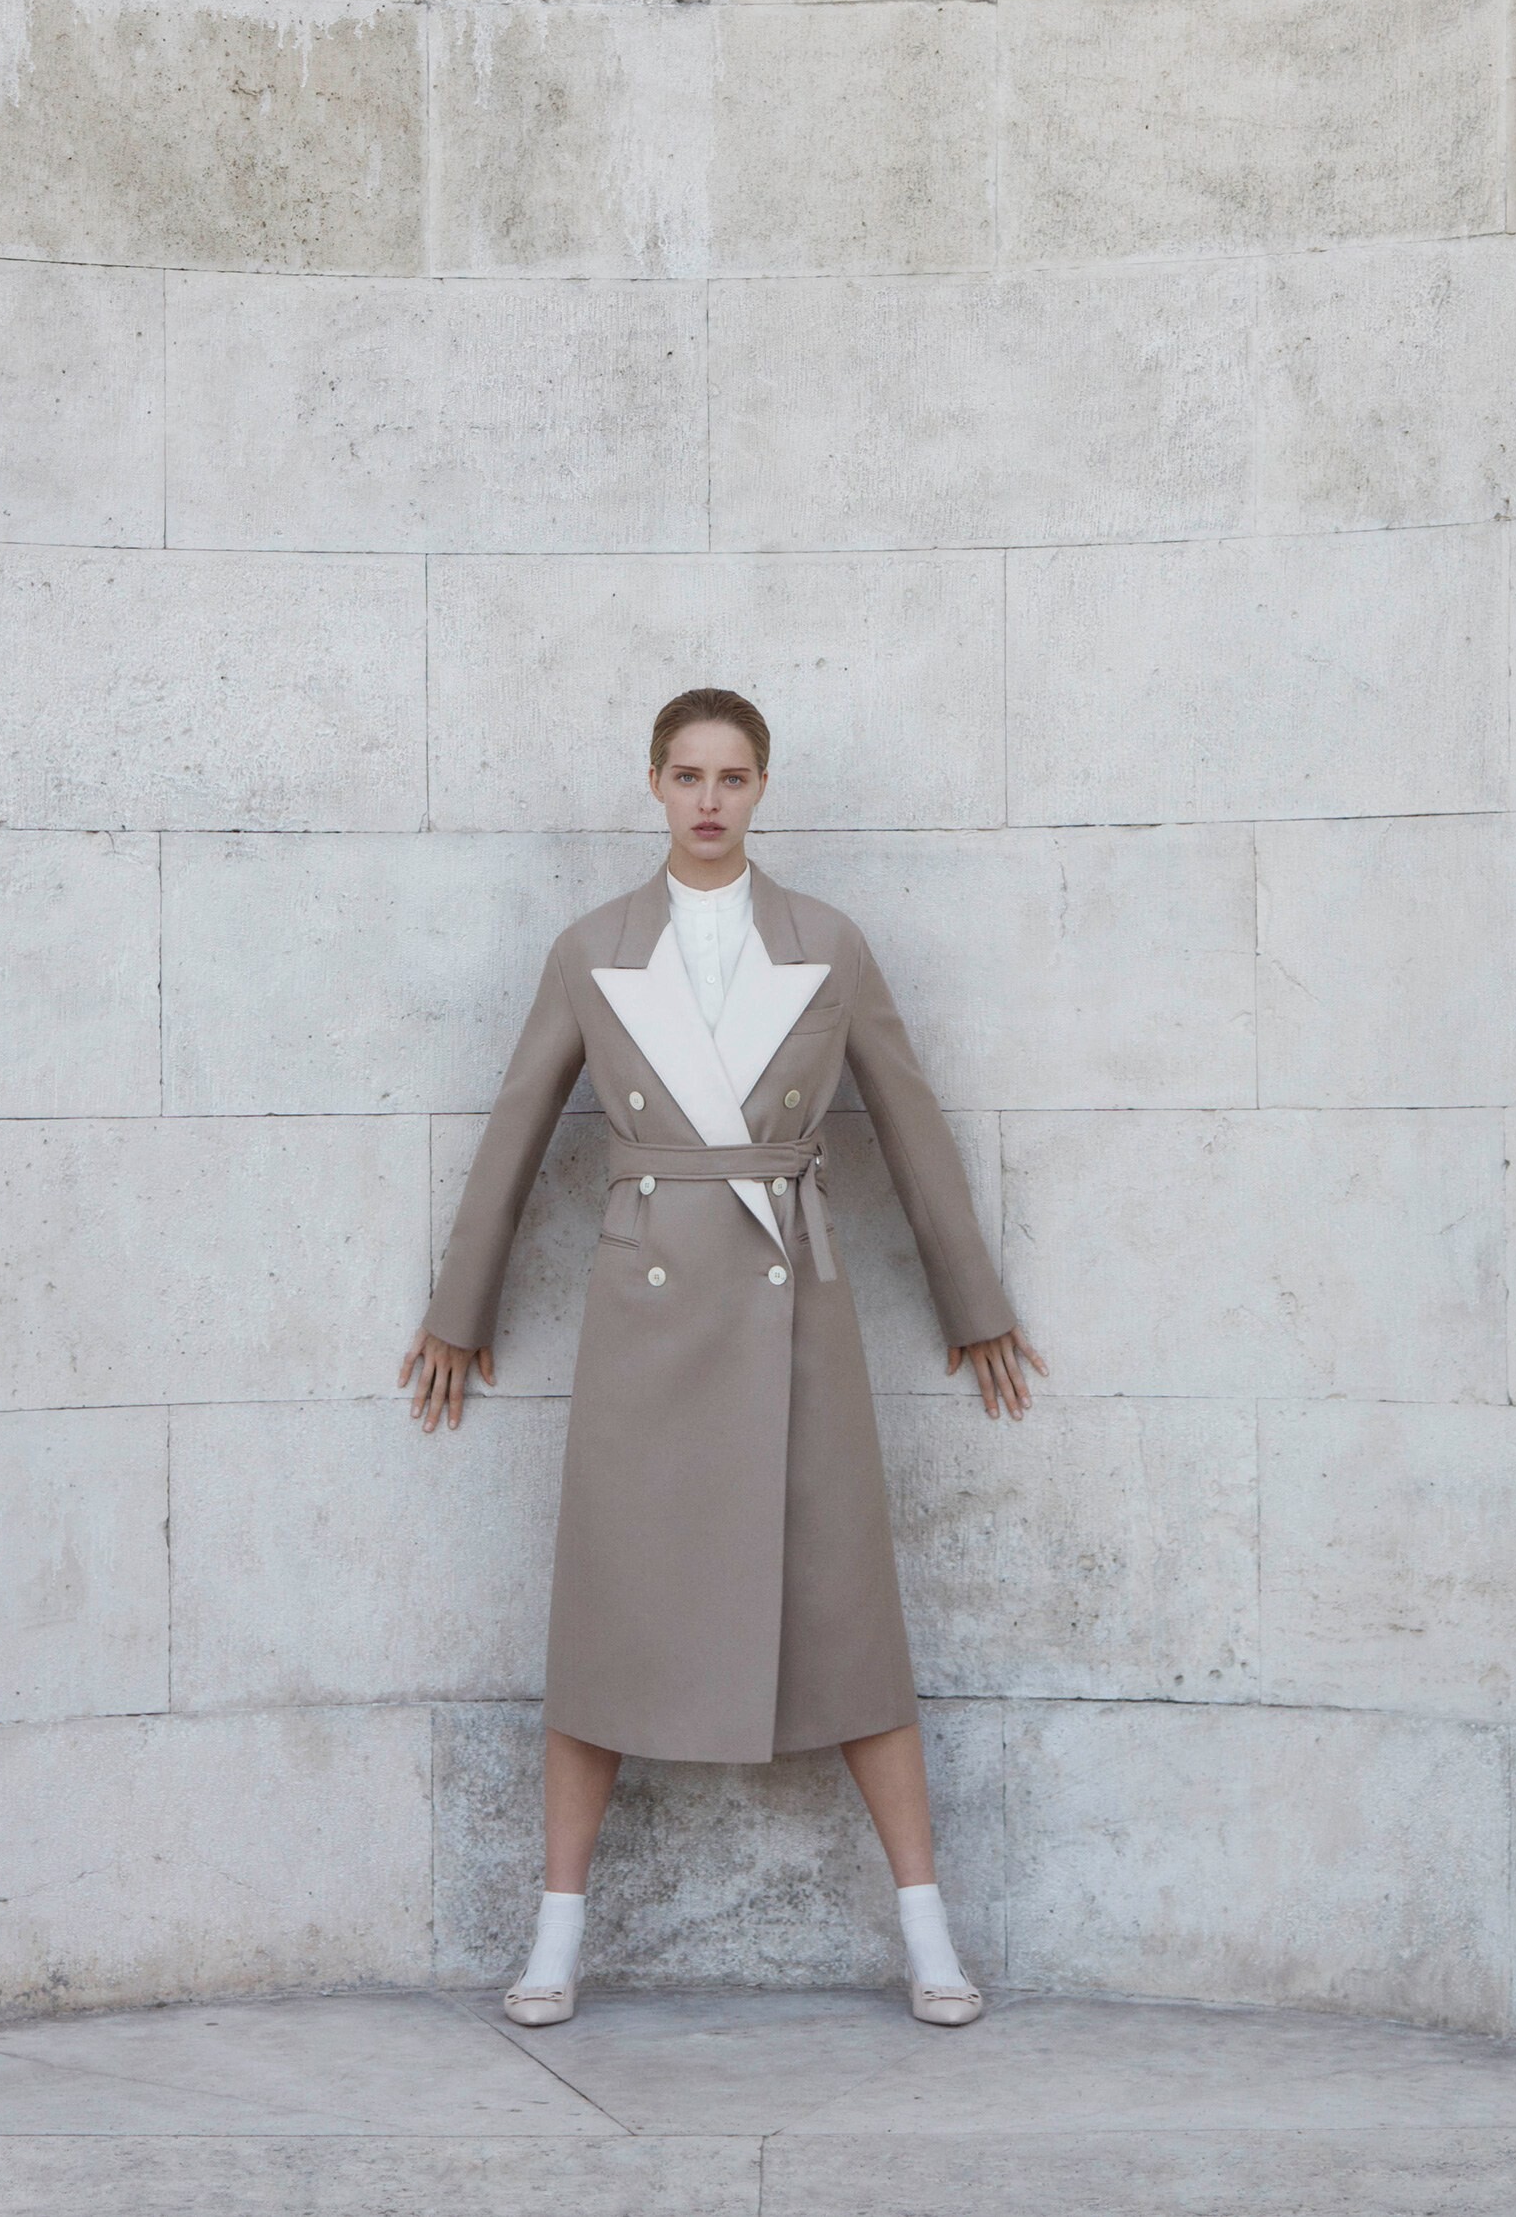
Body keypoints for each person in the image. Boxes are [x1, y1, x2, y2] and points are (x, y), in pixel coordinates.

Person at [399, 687, 1046, 2030]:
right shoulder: (592, 948)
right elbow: (517, 1126)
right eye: (688, 774)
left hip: (794, 1313)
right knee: (604, 1624)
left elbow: (909, 1119)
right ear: (653, 783)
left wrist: (973, 1299)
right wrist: (459, 1312)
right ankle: (554, 1938)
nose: (709, 799)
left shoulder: (831, 943)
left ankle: (929, 1934)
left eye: (733, 776)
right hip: (645, 1318)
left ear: (762, 787)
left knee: (853, 1621)